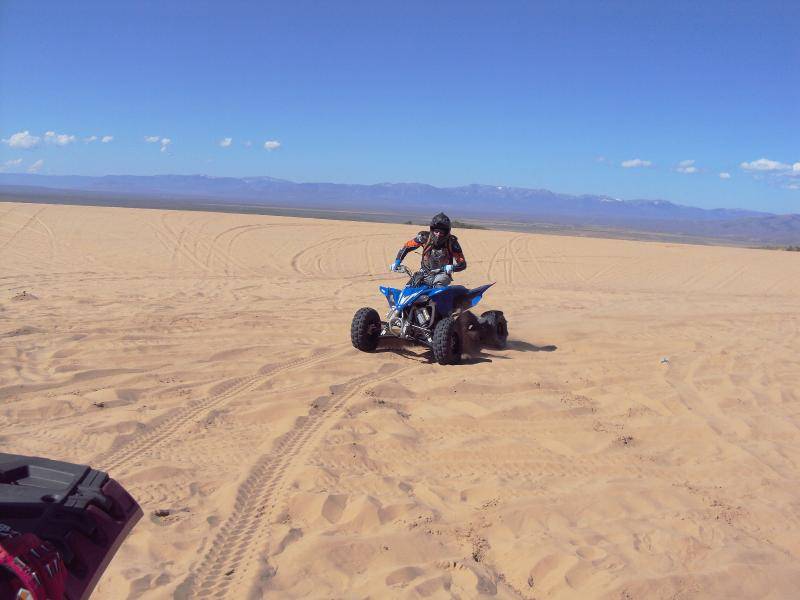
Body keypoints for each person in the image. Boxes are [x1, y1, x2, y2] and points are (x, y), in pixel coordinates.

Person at [390, 212, 467, 286]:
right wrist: (397, 262)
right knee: (409, 289)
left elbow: (462, 264)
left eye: (441, 232)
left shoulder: (452, 242)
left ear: (447, 232)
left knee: (437, 290)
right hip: (424, 273)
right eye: (436, 231)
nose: (438, 234)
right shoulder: (424, 237)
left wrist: (452, 267)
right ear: (432, 230)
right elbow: (407, 247)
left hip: (442, 274)